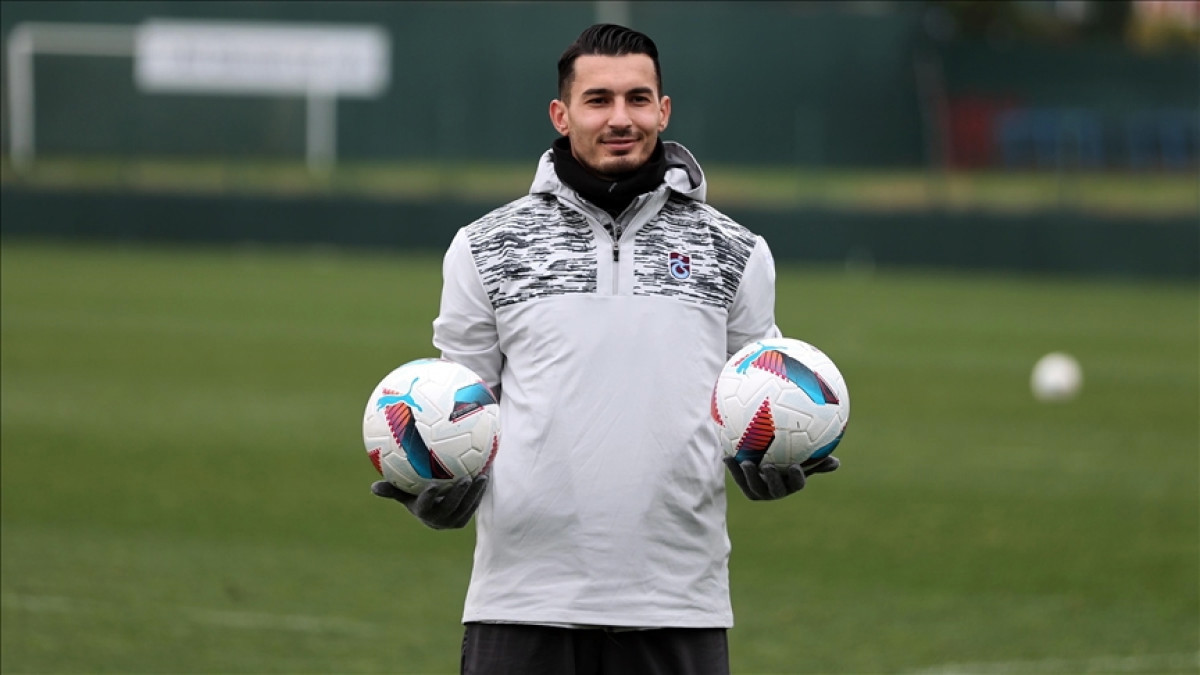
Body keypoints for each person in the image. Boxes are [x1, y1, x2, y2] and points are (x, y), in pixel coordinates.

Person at [370, 23, 840, 675]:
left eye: (637, 98)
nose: (621, 117)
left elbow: (754, 398)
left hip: (679, 600)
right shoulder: (485, 246)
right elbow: (458, 407)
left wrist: (770, 455)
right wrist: (435, 479)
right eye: (598, 100)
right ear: (561, 115)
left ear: (663, 110)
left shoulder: (736, 250)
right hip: (522, 598)